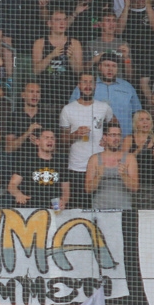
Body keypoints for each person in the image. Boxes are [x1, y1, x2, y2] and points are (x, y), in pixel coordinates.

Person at [59, 72, 115, 207]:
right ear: (79, 85)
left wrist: (107, 139)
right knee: (79, 207)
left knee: (102, 206)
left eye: (91, 82)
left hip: (100, 166)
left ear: (95, 85)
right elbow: (62, 139)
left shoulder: (104, 107)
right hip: (77, 167)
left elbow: (114, 125)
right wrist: (75, 134)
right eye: (84, 82)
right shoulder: (68, 109)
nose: (88, 85)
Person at [8, 128, 71, 209]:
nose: (50, 140)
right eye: (46, 138)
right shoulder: (27, 161)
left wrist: (63, 201)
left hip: (53, 208)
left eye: (52, 138)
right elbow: (12, 185)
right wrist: (18, 194)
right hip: (30, 208)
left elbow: (66, 190)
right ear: (37, 141)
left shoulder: (60, 162)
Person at [85, 122, 139, 209]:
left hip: (124, 210)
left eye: (118, 135)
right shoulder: (94, 159)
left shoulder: (129, 158)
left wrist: (124, 176)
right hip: (99, 209)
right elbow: (88, 189)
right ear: (105, 137)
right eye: (113, 135)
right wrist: (98, 176)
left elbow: (135, 188)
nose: (117, 138)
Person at [125, 110, 154, 209]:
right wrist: (140, 148)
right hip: (133, 183)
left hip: (152, 183)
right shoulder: (129, 139)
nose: (145, 122)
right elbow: (123, 162)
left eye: (147, 119)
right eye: (141, 120)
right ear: (136, 123)